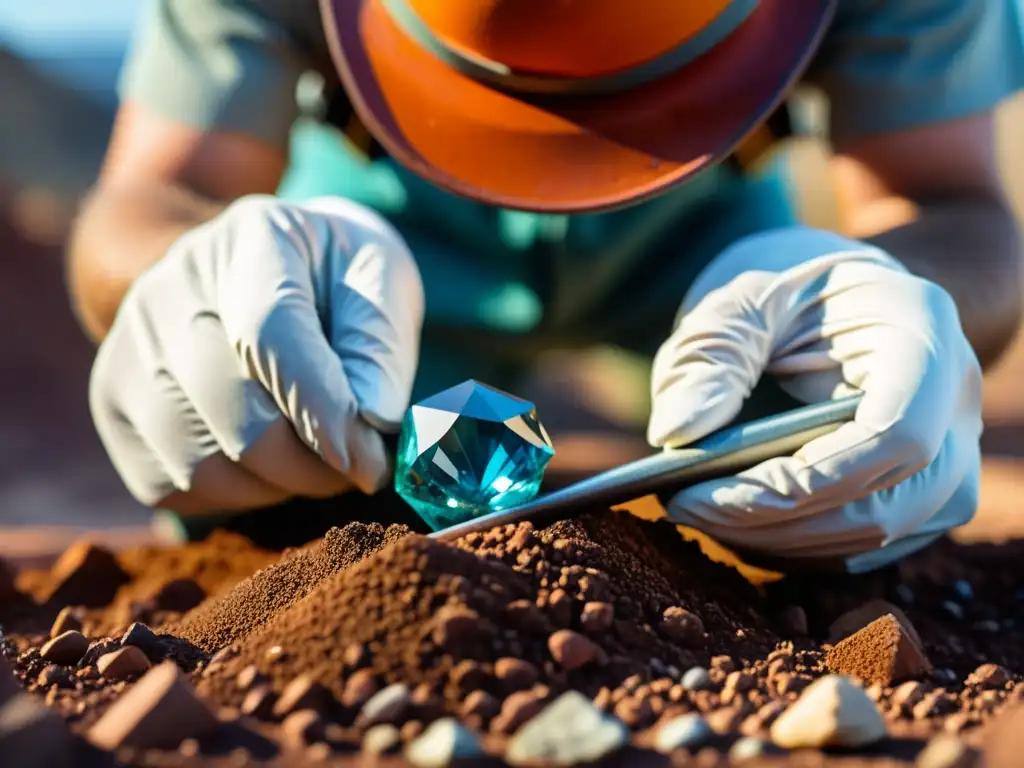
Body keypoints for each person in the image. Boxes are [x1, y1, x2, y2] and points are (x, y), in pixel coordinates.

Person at [68, 0, 1023, 571]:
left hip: (718, 264)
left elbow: (949, 202)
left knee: (815, 449)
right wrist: (186, 273)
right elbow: (158, 194)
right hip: (368, 276)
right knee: (274, 457)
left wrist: (894, 292)